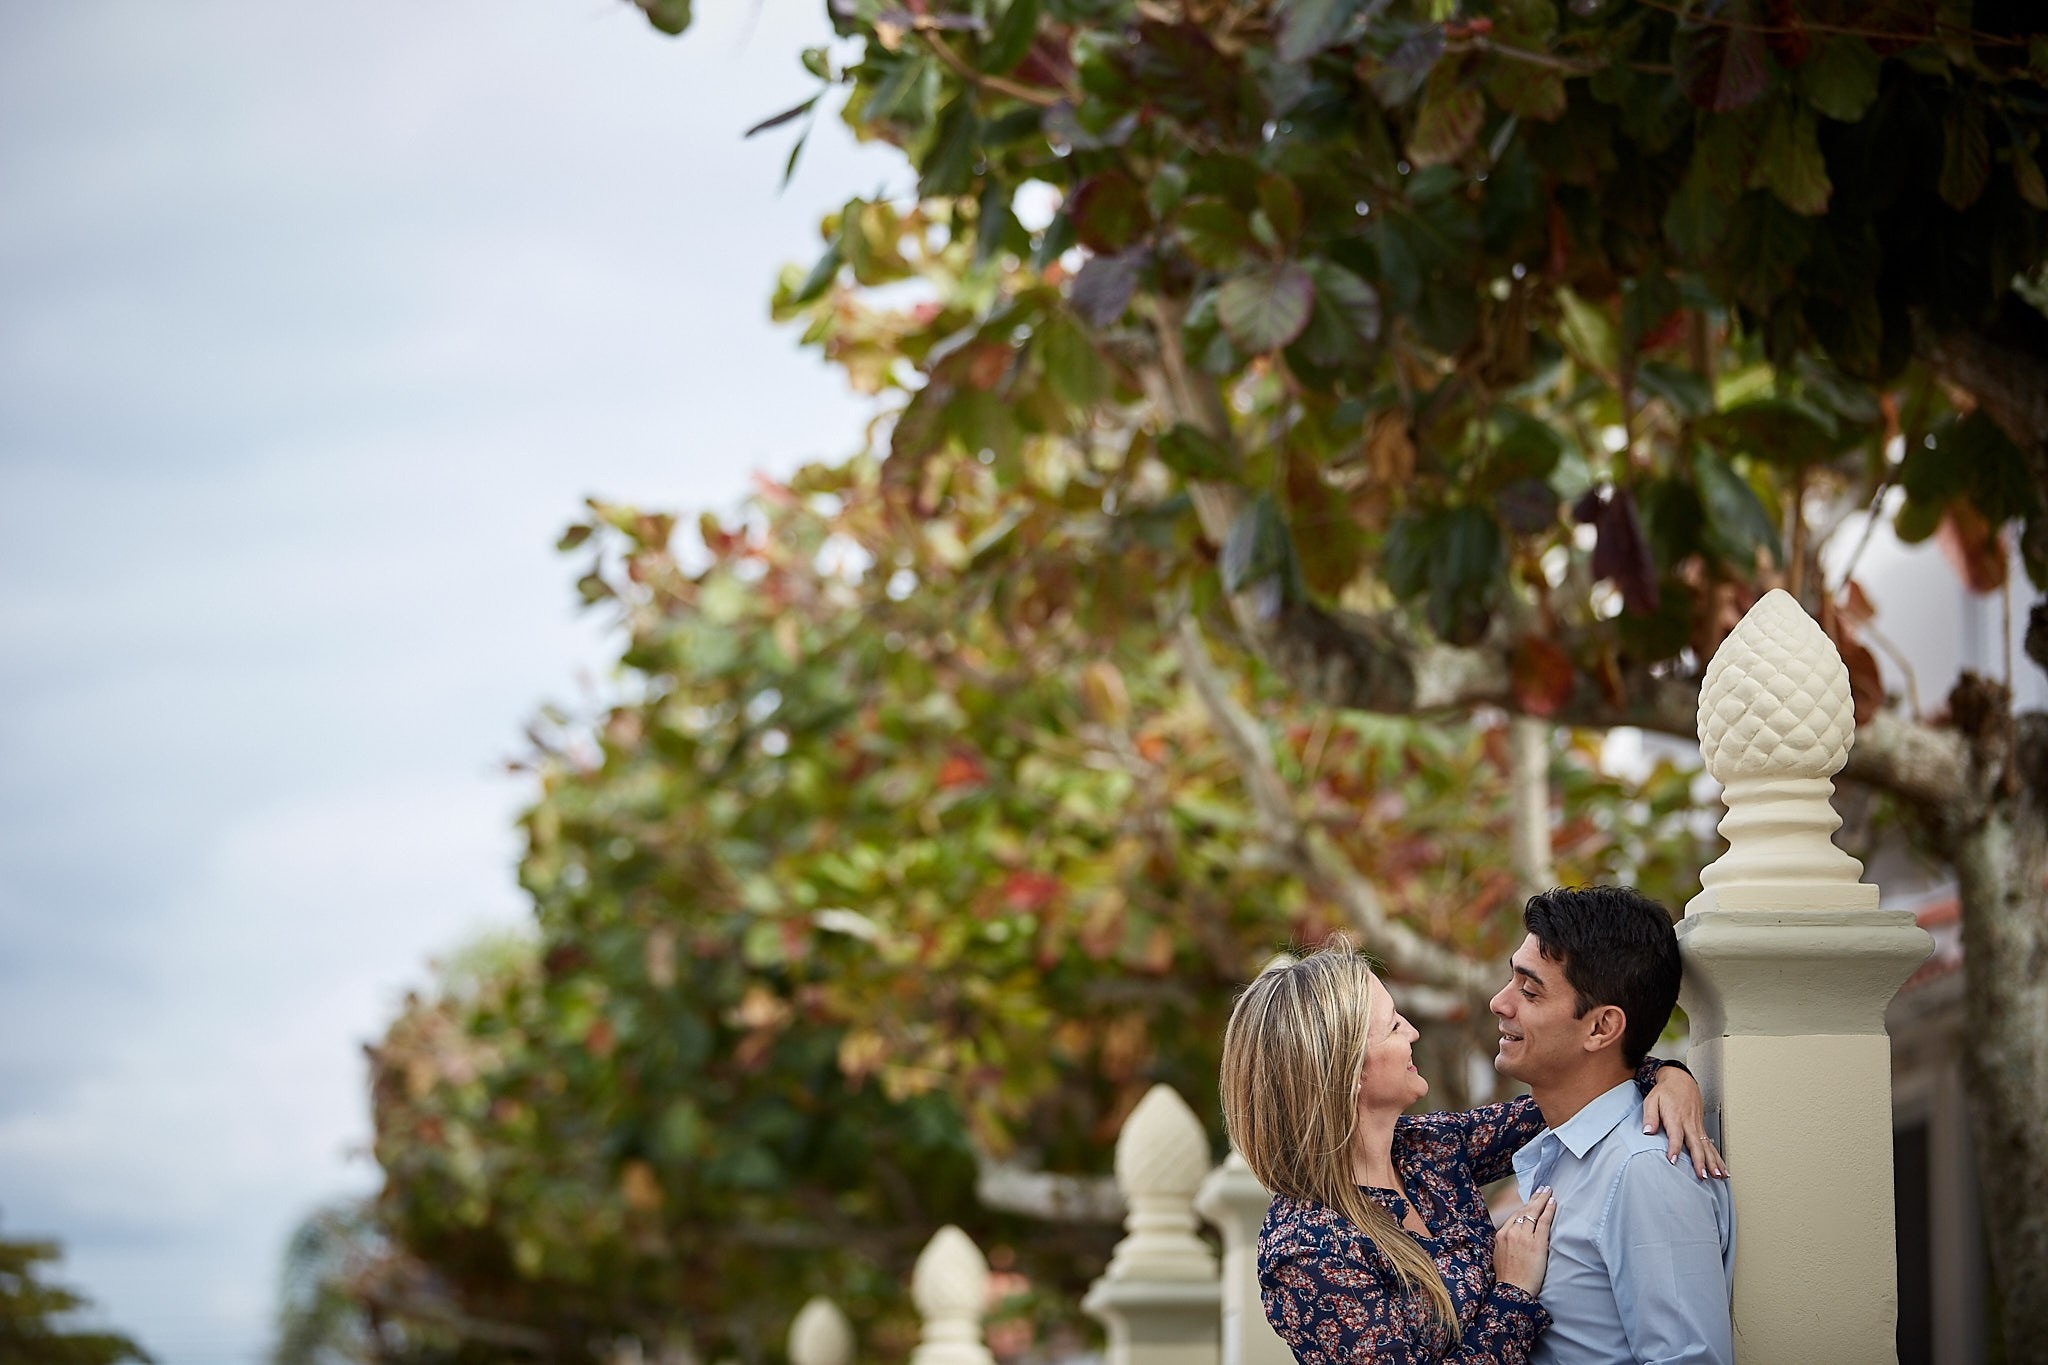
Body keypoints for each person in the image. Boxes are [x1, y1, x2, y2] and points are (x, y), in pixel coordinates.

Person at [1221, 930, 1723, 1365]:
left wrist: (1671, 1076)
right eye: (1395, 1025)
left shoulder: (1426, 1152)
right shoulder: (1306, 1250)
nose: (1414, 1032)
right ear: (1347, 1072)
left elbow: (1572, 1092)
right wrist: (1513, 1293)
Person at [1491, 887, 1735, 1365]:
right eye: (1511, 980)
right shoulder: (1562, 1153)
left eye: (1530, 990)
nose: (1501, 1003)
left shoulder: (1645, 1172)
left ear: (1601, 1028)